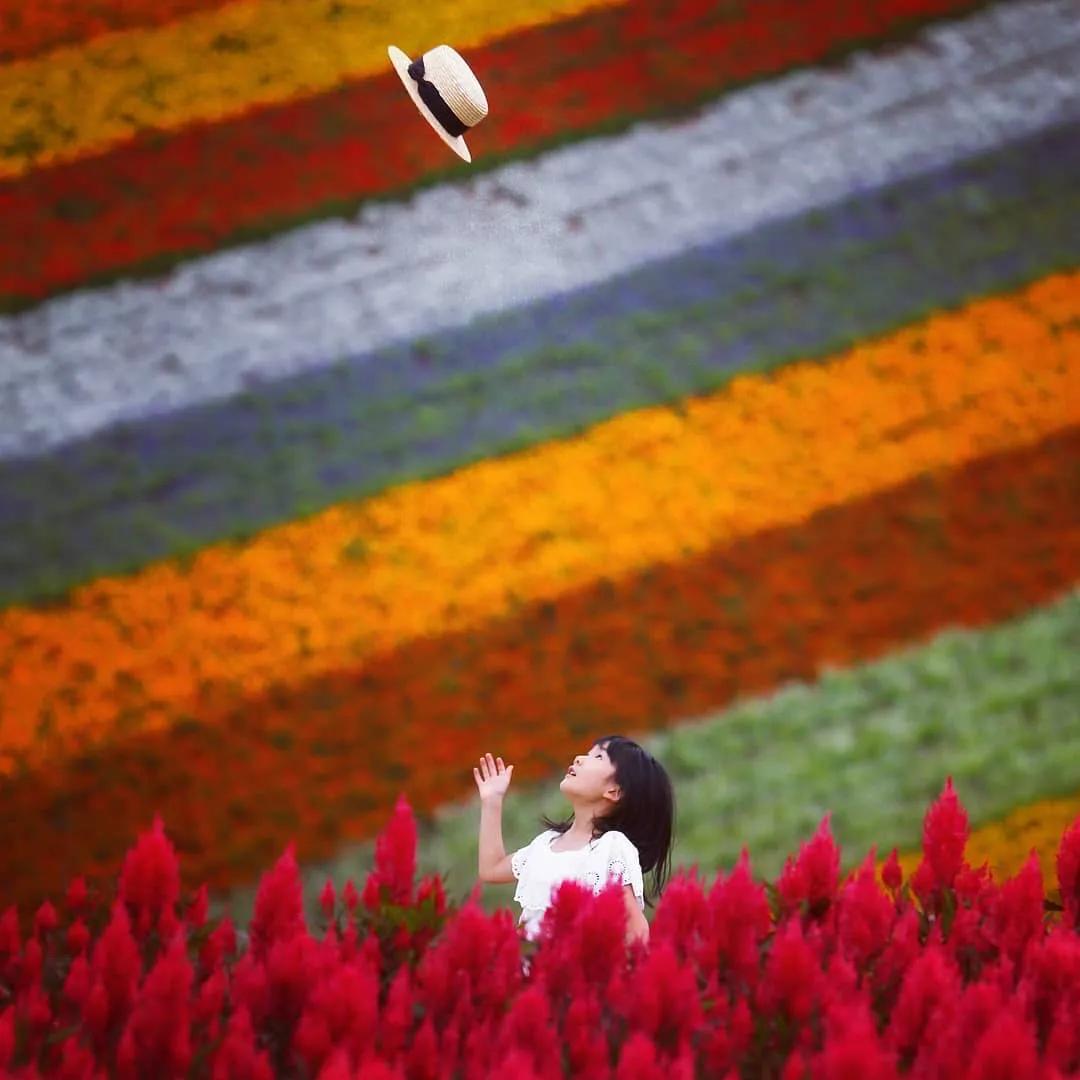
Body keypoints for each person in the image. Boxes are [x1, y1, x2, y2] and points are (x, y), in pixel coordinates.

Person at [473, 735, 675, 945]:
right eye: (588, 753)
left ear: (614, 791)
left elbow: (636, 932)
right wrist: (492, 801)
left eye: (598, 757)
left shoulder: (611, 847)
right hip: (534, 964)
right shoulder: (545, 844)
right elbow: (491, 869)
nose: (579, 758)